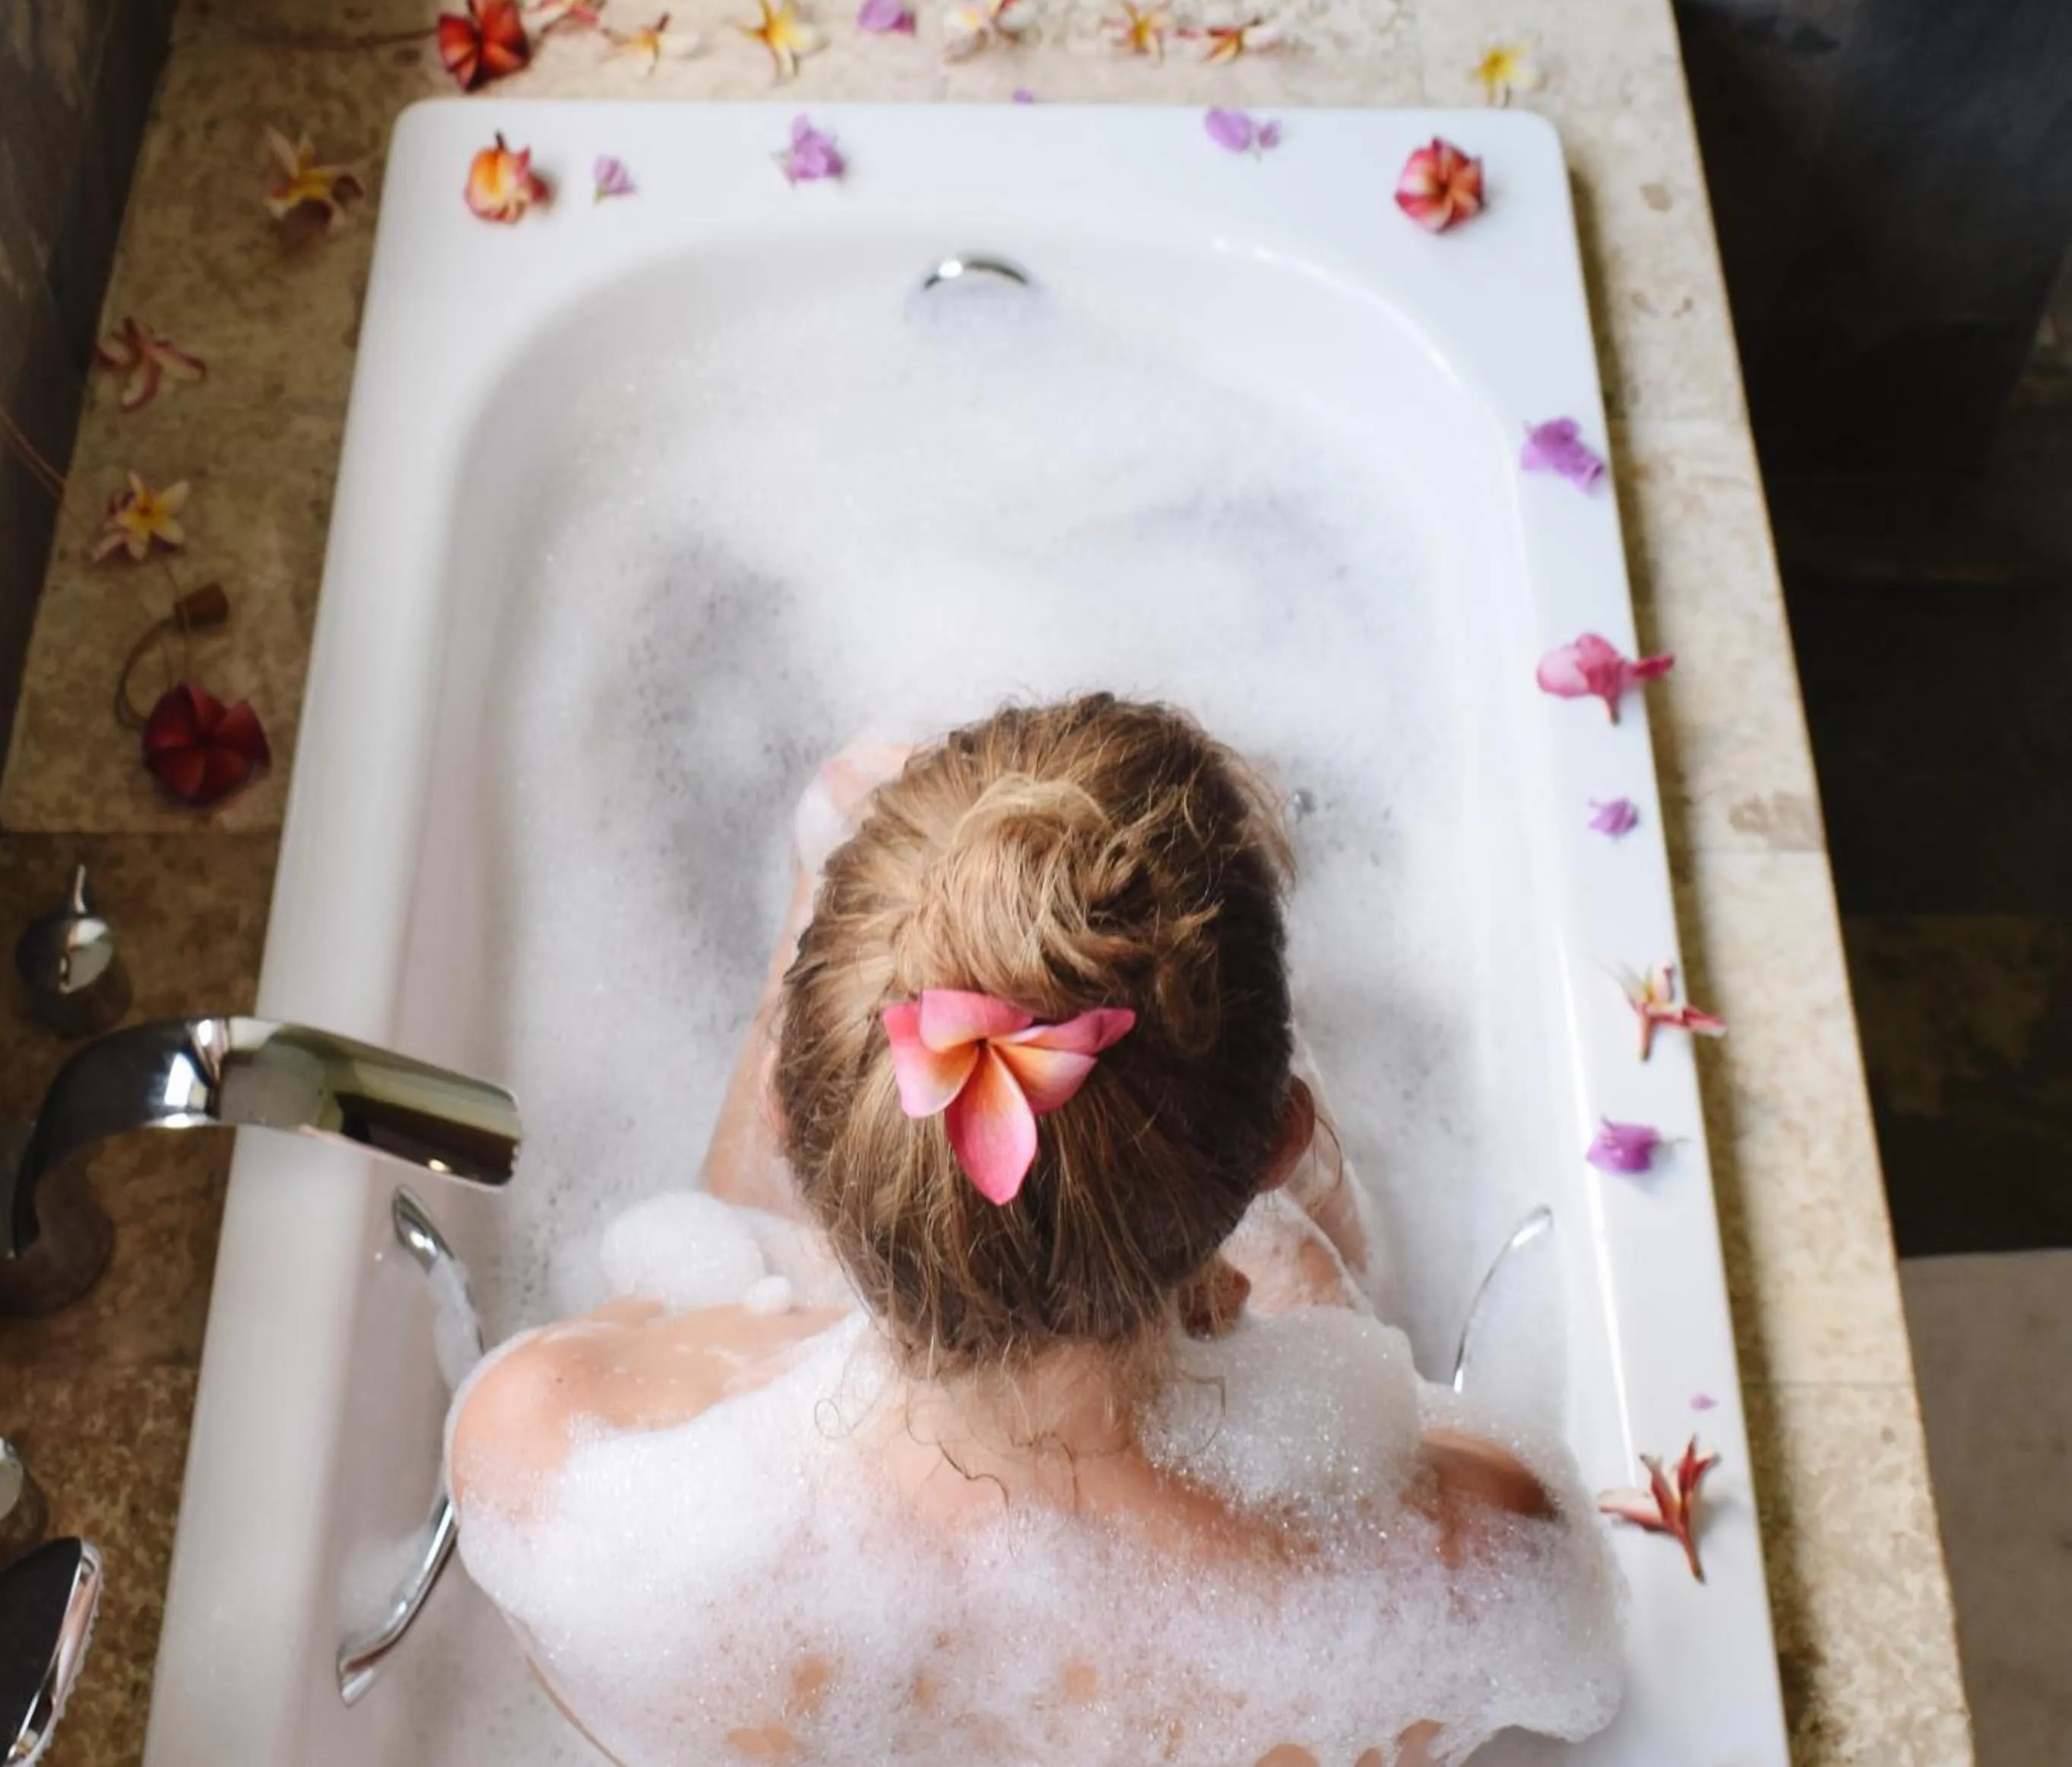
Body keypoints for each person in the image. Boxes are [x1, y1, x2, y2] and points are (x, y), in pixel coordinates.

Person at [449, 696, 1625, 1766]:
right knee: (1293, 1251)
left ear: (789, 1124)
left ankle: (860, 1004)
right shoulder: (1478, 1568)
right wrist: (1275, 1256)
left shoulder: (547, 1471)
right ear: (1272, 1146)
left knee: (863, 788)